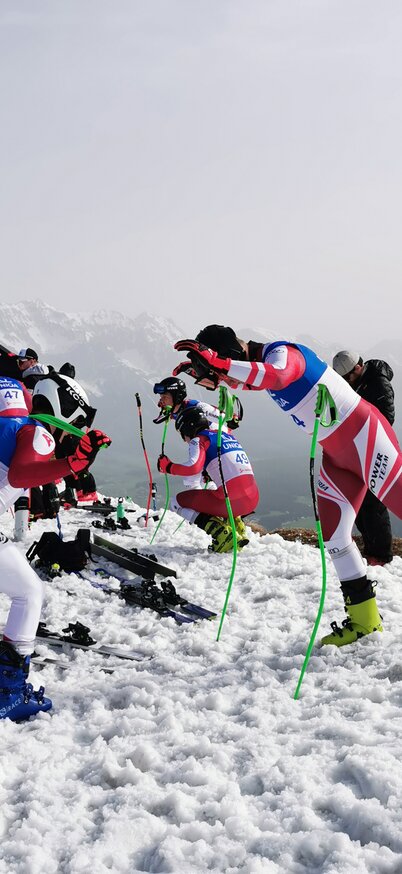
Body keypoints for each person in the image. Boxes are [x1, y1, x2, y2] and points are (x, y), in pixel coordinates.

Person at [173, 324, 402, 647]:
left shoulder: (283, 353)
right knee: (335, 538)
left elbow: (277, 375)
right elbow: (259, 381)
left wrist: (221, 365)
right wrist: (216, 370)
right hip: (338, 456)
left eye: (223, 372)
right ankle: (365, 620)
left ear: (230, 353)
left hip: (367, 439)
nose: (226, 383)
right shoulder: (260, 367)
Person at [0, 371, 111, 720]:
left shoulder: (14, 425)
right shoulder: (38, 432)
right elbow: (20, 476)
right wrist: (71, 464)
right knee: (28, 593)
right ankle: (11, 693)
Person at [157, 405, 259, 552]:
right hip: (252, 498)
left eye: (182, 433)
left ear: (188, 428)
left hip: (232, 502)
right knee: (214, 489)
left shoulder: (198, 439)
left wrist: (168, 467)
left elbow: (193, 467)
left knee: (176, 502)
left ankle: (223, 534)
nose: (184, 439)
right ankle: (237, 527)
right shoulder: (225, 435)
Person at [332, 350, 395, 566]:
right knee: (358, 500)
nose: (346, 381)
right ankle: (370, 548)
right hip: (359, 449)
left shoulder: (378, 383)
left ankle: (381, 555)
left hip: (375, 449)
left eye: (348, 376)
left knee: (373, 503)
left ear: (358, 367)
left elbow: (386, 418)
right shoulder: (359, 382)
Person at [154, 376, 241, 491]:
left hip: (216, 446)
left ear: (177, 396)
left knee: (193, 480)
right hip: (203, 446)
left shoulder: (196, 406)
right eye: (161, 397)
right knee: (198, 481)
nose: (162, 401)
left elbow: (223, 418)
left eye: (165, 397)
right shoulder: (174, 412)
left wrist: (232, 419)